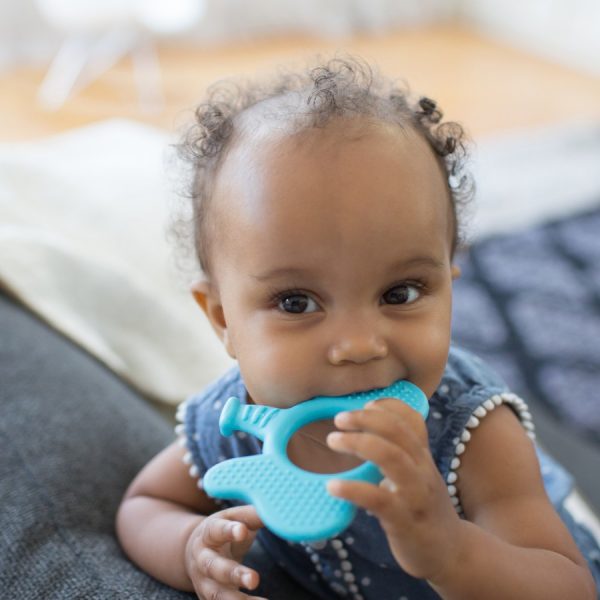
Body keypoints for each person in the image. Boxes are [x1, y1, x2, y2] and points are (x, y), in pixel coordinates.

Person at [115, 56, 600, 599]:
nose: (359, 345)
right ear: (224, 319)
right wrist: (190, 549)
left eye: (401, 293)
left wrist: (452, 551)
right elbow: (145, 506)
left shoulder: (470, 433)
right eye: (296, 302)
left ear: (448, 283)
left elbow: (570, 587)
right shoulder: (231, 426)